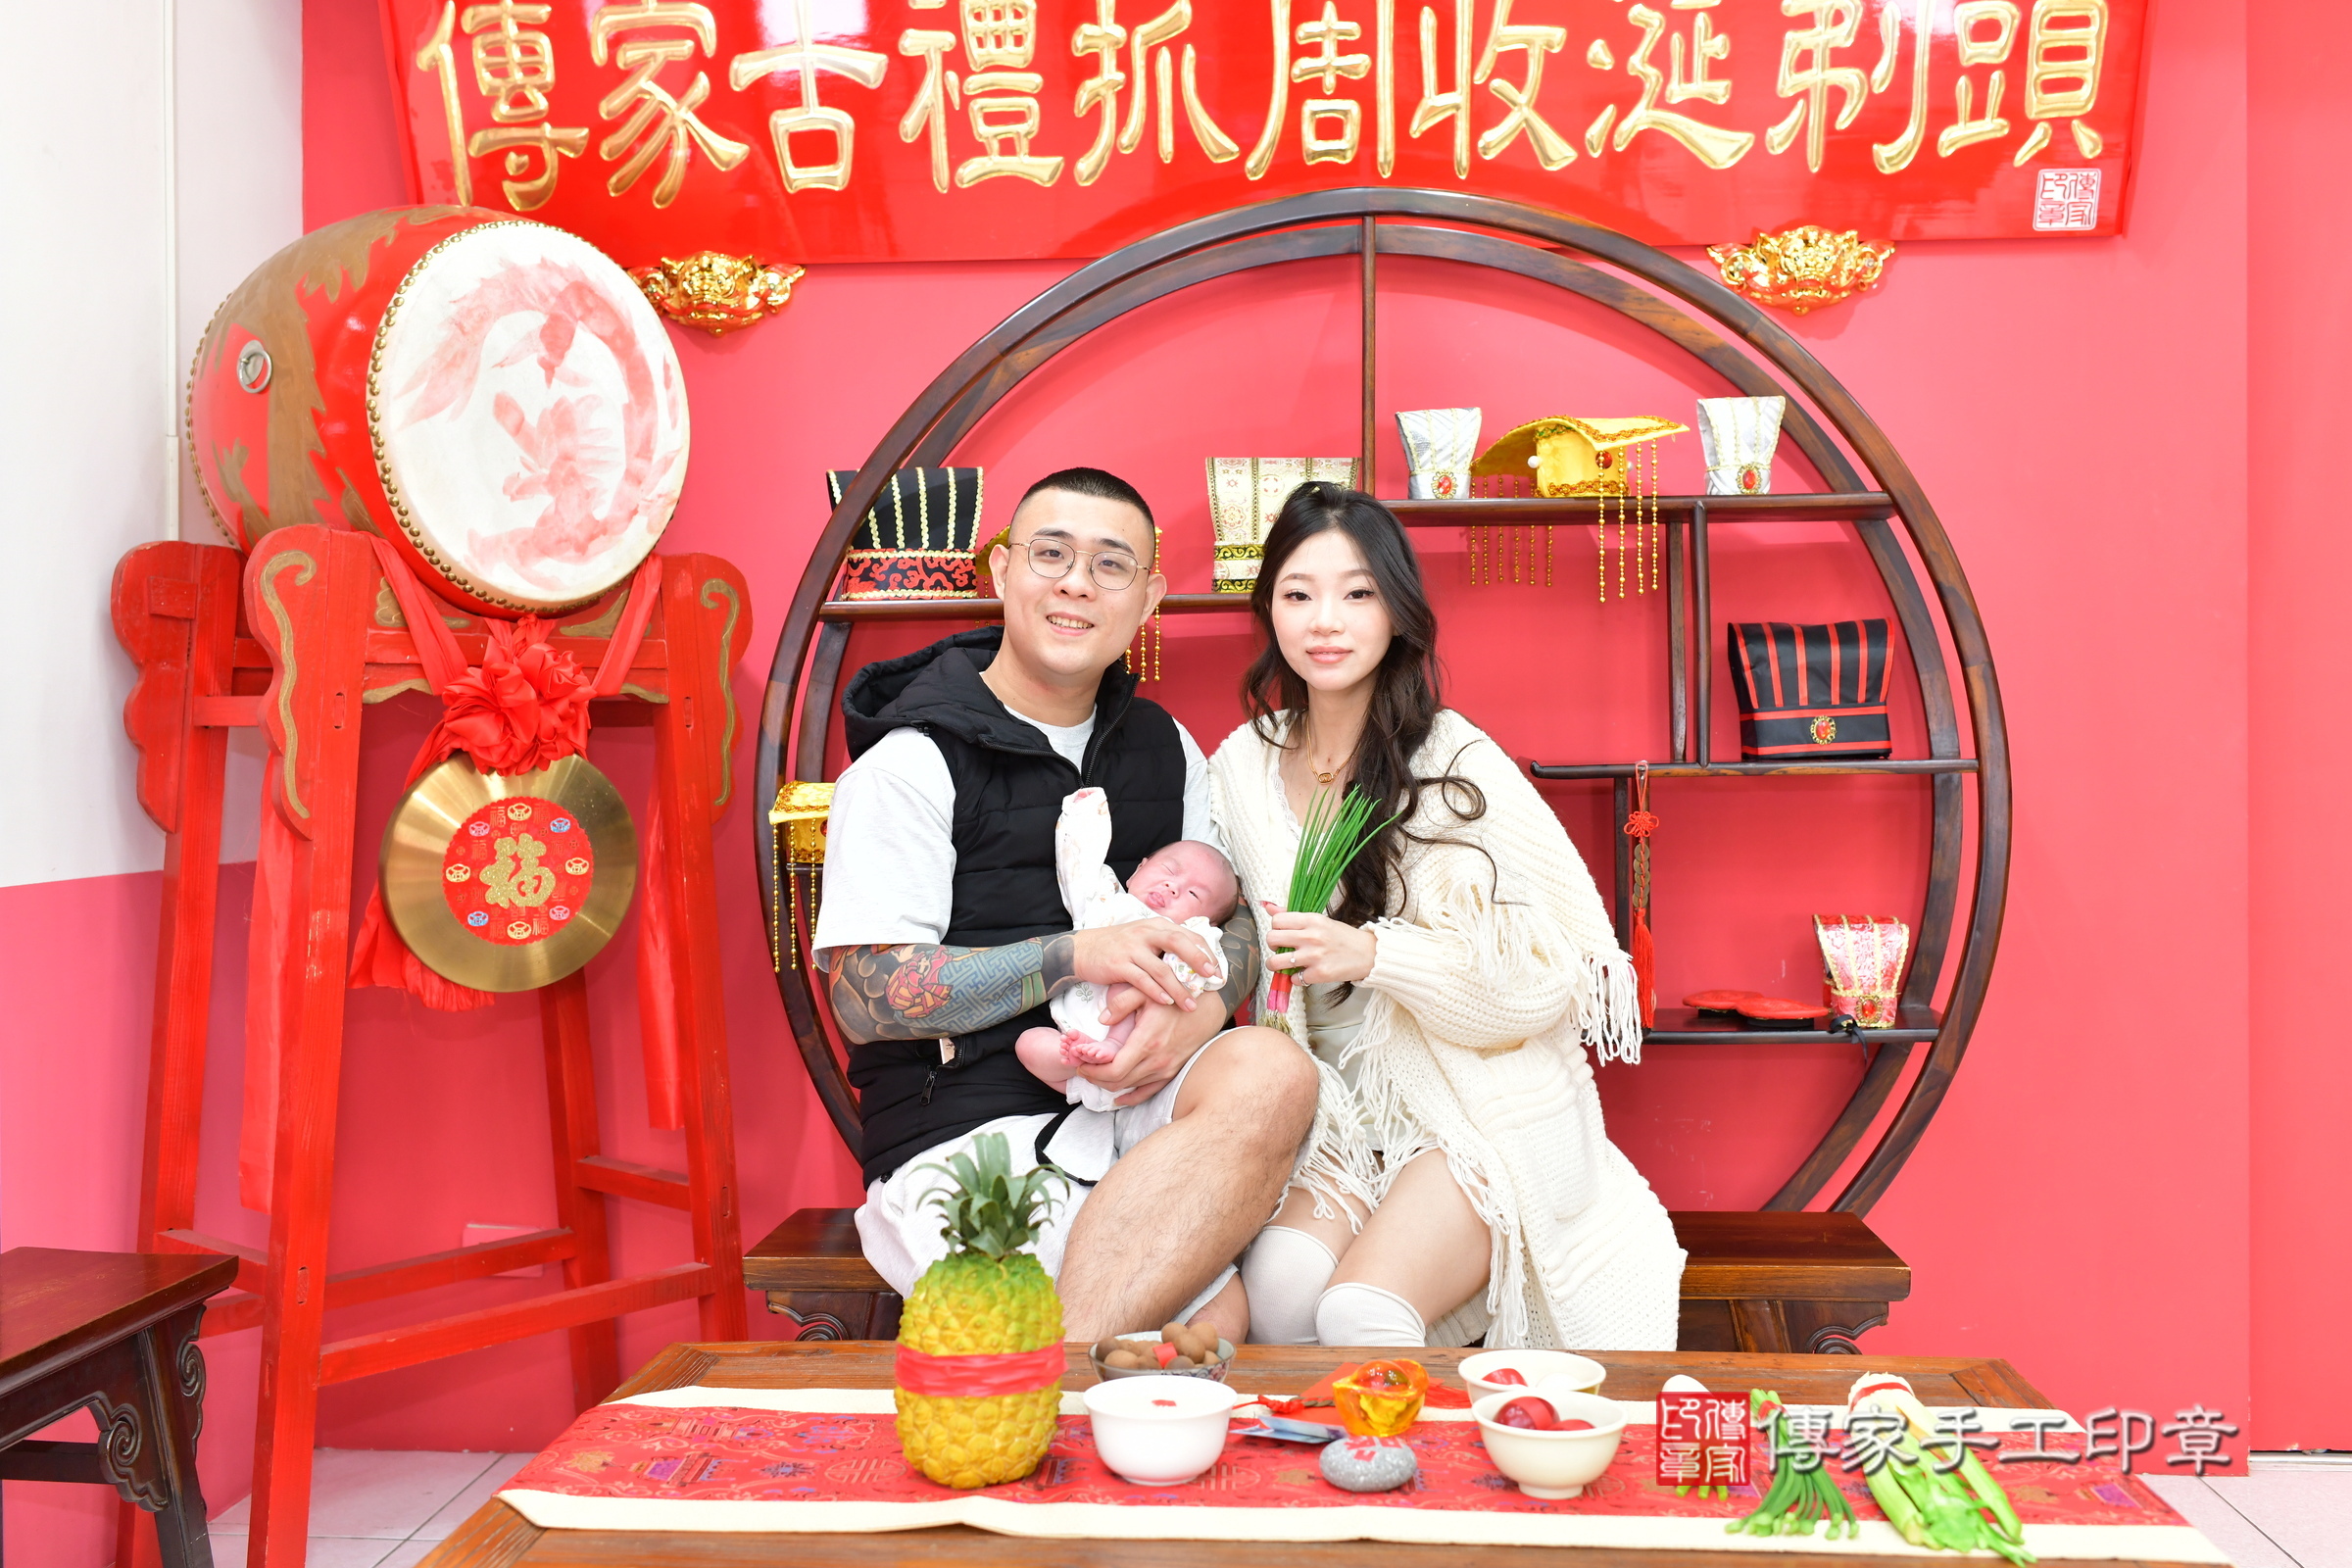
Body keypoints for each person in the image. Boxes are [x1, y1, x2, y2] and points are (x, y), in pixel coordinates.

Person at [812, 466, 1317, 1345]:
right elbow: (865, 997)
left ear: (1148, 598)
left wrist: (1199, 1018)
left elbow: (1234, 915)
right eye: (1051, 554)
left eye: (1111, 564)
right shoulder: (910, 764)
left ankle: (1068, 1364)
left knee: (1275, 1072)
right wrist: (1071, 957)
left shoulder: (1165, 748)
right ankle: (1070, 1366)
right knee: (1170, 1318)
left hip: (1142, 1091)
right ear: (1003, 570)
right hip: (969, 1118)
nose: (1077, 583)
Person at [1211, 482, 1685, 1350]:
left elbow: (1539, 983)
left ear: (1397, 611)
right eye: (1298, 593)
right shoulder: (1242, 764)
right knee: (1279, 1297)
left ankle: (1417, 1443)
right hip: (1334, 1115)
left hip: (1465, 1104)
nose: (1326, 621)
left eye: (1358, 593)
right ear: (1268, 608)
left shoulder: (1453, 760)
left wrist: (1373, 955)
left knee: (1357, 1311)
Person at [1013, 789, 1240, 1110]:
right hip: (1074, 1038)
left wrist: (1181, 970)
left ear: (1208, 919)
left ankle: (1114, 1045)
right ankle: (1081, 1063)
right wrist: (1082, 814)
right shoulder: (1107, 899)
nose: (1173, 887)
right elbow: (1077, 866)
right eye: (1169, 871)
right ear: (1137, 871)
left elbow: (1211, 969)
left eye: (1193, 894)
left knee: (1134, 975)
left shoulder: (1191, 931)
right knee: (1027, 1044)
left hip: (1146, 1044)